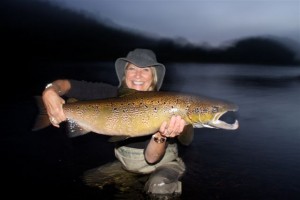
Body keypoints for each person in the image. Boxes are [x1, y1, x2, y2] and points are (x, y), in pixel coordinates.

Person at [42, 48, 186, 198]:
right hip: (127, 164)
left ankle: (147, 183)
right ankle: (134, 182)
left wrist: (161, 135)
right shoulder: (111, 94)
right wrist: (50, 91)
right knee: (89, 180)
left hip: (161, 164)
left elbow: (151, 159)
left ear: (153, 77)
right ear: (125, 74)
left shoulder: (168, 105)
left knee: (159, 188)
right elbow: (66, 84)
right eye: (132, 69)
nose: (138, 75)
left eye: (145, 70)